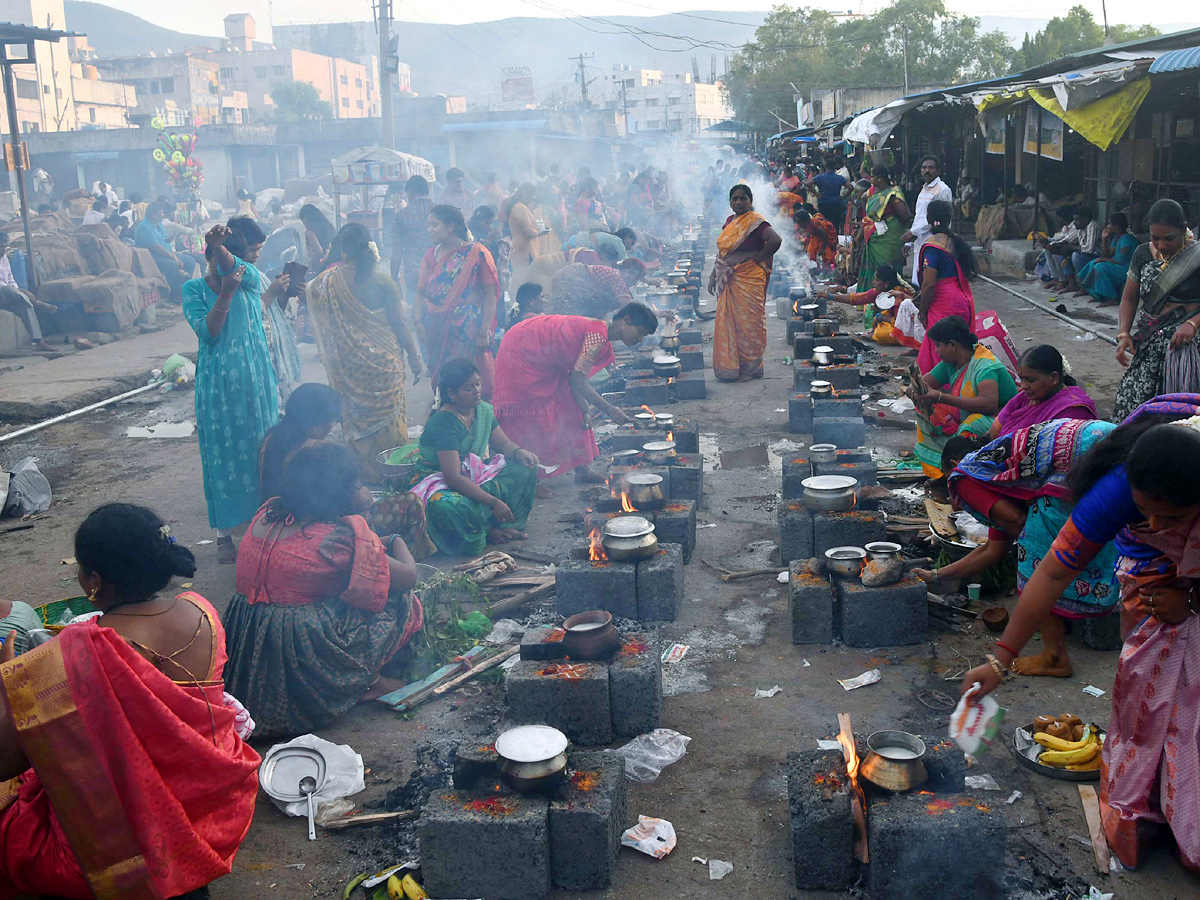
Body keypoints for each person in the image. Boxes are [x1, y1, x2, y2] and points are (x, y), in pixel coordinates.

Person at [959, 397, 1200, 875]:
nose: (1153, 527)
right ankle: (1146, 812)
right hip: (1150, 589)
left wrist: (1192, 602)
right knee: (1146, 705)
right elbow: (1049, 574)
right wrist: (1001, 660)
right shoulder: (1116, 493)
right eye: (1144, 513)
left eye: (1171, 521)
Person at [0, 503, 260, 897]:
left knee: (14, 827)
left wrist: (11, 680)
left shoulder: (76, 651)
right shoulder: (201, 611)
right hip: (208, 810)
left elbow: (9, 757)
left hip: (127, 833)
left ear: (95, 581)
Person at [222, 443, 422, 738]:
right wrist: (393, 542)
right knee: (400, 600)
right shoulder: (337, 539)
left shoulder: (266, 513)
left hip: (248, 637)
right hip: (301, 649)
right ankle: (370, 681)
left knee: (347, 583)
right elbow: (409, 576)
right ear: (338, 491)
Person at [923, 418, 1120, 677]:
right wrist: (935, 576)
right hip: (1110, 442)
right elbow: (994, 549)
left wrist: (1041, 559)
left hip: (1089, 453)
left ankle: (1055, 657)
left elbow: (1018, 524)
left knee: (1034, 562)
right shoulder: (1002, 467)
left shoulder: (965, 476)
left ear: (952, 466)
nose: (955, 500)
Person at [183, 225, 279, 561]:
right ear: (207, 256)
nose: (227, 265)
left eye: (232, 257)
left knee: (261, 453)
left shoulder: (249, 276)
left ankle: (263, 529)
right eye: (218, 256)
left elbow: (234, 272)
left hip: (255, 381)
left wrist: (222, 253)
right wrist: (224, 291)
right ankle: (225, 536)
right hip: (218, 386)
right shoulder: (193, 289)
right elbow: (208, 333)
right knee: (221, 457)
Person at [307, 223, 423, 476]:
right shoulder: (383, 281)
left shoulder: (326, 282)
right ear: (370, 247)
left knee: (356, 416)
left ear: (344, 252)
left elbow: (312, 296)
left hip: (351, 368)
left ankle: (364, 473)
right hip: (386, 365)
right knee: (391, 420)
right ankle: (393, 469)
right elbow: (400, 323)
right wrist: (415, 357)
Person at [493, 303, 656, 482]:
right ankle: (531, 478)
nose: (640, 339)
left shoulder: (601, 333)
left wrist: (585, 410)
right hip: (521, 348)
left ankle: (583, 470)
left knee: (571, 405)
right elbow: (578, 380)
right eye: (640, 332)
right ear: (626, 321)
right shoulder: (598, 334)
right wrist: (610, 409)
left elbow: (573, 376)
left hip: (539, 352)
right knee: (532, 412)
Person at [409, 358, 539, 554]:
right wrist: (493, 502)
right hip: (439, 481)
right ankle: (484, 531)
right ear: (451, 393)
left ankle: (503, 525)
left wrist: (519, 452)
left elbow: (502, 443)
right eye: (468, 387)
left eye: (477, 384)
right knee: (446, 507)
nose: (477, 390)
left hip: (472, 472)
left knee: (524, 468)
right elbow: (452, 477)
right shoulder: (445, 422)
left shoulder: (482, 410)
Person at [1113, 199, 1200, 421]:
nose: (1161, 245)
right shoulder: (1142, 254)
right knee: (1133, 407)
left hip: (1185, 346)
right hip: (1149, 341)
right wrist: (1124, 333)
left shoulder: (1197, 257)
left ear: (1183, 229)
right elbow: (1129, 299)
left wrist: (1192, 323)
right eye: (1155, 238)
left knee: (1181, 412)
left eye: (1169, 238)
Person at [910, 315, 1018, 478]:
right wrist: (916, 390)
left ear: (952, 345)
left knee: (972, 423)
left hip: (1002, 422)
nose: (936, 351)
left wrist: (940, 397)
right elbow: (920, 385)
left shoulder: (984, 365)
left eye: (938, 346)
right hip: (974, 416)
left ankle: (965, 476)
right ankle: (943, 471)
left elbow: (989, 405)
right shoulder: (950, 363)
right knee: (927, 411)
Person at [417, 204, 500, 398]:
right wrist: (418, 322)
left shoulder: (477, 253)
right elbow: (420, 292)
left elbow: (490, 294)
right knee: (442, 379)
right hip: (435, 326)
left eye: (434, 225)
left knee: (467, 380)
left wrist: (483, 332)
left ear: (451, 226)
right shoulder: (430, 255)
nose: (429, 229)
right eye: (428, 225)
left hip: (467, 328)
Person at [709, 184, 782, 382]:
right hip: (730, 278)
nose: (739, 202)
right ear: (730, 202)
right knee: (732, 322)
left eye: (743, 198)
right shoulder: (730, 222)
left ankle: (753, 367)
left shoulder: (757, 222)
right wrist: (712, 275)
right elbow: (723, 253)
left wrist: (757, 259)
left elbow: (775, 240)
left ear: (750, 201)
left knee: (750, 323)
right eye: (735, 199)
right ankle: (735, 365)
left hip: (749, 278)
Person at [227, 215, 303, 403]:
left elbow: (274, 316)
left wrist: (282, 293)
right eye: (252, 250)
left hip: (270, 355)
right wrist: (270, 294)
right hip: (252, 360)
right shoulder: (231, 278)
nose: (257, 255)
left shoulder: (257, 275)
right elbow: (242, 319)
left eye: (259, 249)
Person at [915, 199, 977, 373]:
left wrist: (922, 310)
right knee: (959, 351)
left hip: (944, 303)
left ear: (928, 219)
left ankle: (941, 394)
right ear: (949, 219)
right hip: (961, 300)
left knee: (940, 352)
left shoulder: (933, 246)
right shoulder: (954, 242)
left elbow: (929, 285)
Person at [985, 344, 1096, 439]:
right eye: (1021, 379)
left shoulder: (1074, 411)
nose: (1023, 386)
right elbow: (992, 433)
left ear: (1054, 378)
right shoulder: (1025, 397)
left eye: (1030, 380)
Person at [258, 382, 341, 500]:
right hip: (302, 516)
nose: (332, 425)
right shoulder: (316, 449)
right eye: (333, 420)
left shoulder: (272, 437)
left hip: (270, 511)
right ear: (315, 426)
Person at [857, 164, 912, 291]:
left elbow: (906, 216)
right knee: (875, 271)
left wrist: (891, 222)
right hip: (875, 237)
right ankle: (872, 300)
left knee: (889, 269)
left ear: (880, 178)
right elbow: (863, 198)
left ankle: (892, 300)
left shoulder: (892, 193)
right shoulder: (873, 191)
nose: (871, 180)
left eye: (873, 177)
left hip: (890, 238)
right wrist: (871, 218)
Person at [0, 232, 56, 353]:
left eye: (6, 246)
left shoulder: (4, 257)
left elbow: (10, 279)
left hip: (7, 296)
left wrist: (20, 290)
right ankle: (37, 303)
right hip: (3, 292)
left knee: (24, 305)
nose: (4, 249)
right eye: (1, 246)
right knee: (8, 289)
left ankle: (39, 341)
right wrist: (22, 291)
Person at [902, 155, 954, 283]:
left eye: (931, 168)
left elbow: (937, 219)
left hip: (935, 241)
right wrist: (910, 242)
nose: (927, 171)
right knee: (917, 282)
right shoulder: (924, 190)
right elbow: (919, 217)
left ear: (937, 170)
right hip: (920, 241)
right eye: (924, 168)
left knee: (930, 282)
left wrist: (912, 232)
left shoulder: (942, 190)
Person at [544, 258, 645, 318]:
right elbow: (627, 304)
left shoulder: (616, 275)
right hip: (569, 280)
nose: (635, 282)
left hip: (568, 277)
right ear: (629, 272)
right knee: (569, 319)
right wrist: (654, 313)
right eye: (636, 278)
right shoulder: (616, 276)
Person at [135, 201, 195, 300]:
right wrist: (173, 257)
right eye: (161, 212)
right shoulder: (144, 227)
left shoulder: (159, 225)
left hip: (167, 253)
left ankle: (184, 289)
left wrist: (169, 240)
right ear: (153, 214)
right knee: (172, 265)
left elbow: (163, 239)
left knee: (190, 261)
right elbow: (156, 247)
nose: (163, 215)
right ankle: (173, 293)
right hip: (152, 256)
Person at [1078, 213, 1138, 304]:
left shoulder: (1127, 239)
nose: (1108, 226)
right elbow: (1106, 255)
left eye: (1110, 224)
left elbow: (1120, 260)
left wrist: (1103, 260)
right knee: (1093, 263)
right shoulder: (1116, 238)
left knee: (1100, 267)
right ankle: (1096, 294)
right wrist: (1104, 239)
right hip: (1117, 265)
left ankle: (1112, 298)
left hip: (1127, 268)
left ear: (1116, 226)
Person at [390, 175, 435, 296]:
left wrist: (394, 277)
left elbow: (396, 249)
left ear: (409, 192)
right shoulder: (440, 211)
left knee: (415, 310)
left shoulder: (401, 215)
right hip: (439, 272)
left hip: (414, 275)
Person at [1053, 207, 1103, 295]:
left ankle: (1084, 287)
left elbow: (1089, 248)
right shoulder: (1080, 228)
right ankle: (1071, 284)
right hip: (1089, 254)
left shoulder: (1093, 226)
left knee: (1075, 256)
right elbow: (1071, 242)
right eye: (1074, 220)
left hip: (1100, 255)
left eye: (1077, 220)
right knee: (1062, 253)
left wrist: (1070, 248)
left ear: (1086, 219)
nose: (1075, 222)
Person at [506, 183, 542, 291]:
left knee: (522, 276)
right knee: (523, 277)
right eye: (529, 193)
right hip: (524, 249)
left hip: (521, 247)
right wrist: (541, 232)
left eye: (533, 194)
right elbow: (529, 232)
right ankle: (517, 301)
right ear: (522, 193)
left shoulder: (521, 207)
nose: (532, 197)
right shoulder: (520, 208)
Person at [805, 158, 847, 230]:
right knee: (835, 225)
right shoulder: (839, 178)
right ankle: (834, 239)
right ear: (835, 166)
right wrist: (843, 197)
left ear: (825, 166)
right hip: (835, 204)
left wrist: (816, 194)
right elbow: (850, 187)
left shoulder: (820, 177)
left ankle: (825, 239)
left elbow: (808, 184)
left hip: (823, 204)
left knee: (822, 224)